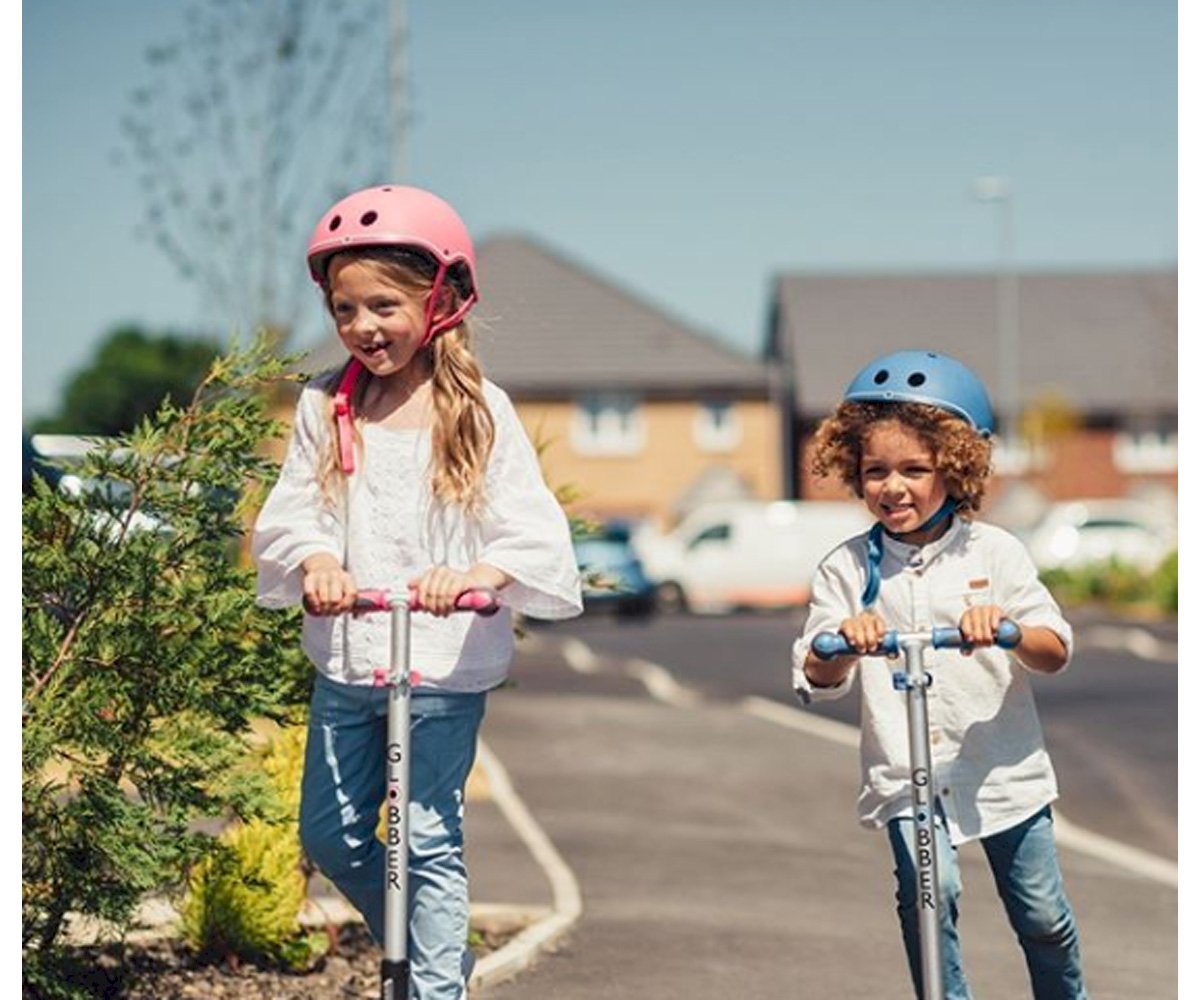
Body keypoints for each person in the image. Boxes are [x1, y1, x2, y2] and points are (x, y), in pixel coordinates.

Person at [252, 184, 582, 999]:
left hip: (438, 665)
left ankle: (436, 986)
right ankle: (435, 941)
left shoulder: (477, 409)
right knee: (330, 836)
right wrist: (319, 561)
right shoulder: (325, 407)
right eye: (344, 309)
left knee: (426, 839)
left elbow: (530, 528)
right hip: (350, 654)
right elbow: (299, 509)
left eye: (384, 305)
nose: (364, 327)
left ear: (441, 300)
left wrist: (479, 575)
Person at [791, 350, 1087, 999]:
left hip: (1002, 770)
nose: (891, 487)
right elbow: (817, 668)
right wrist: (844, 638)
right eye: (874, 471)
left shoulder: (995, 552)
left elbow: (1053, 647)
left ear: (956, 468)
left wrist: (1008, 628)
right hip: (907, 776)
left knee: (1040, 915)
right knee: (933, 898)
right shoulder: (848, 568)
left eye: (913, 470)